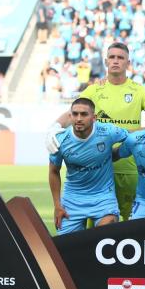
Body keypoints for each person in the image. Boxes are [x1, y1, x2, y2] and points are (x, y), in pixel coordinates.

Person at [46, 42, 145, 221]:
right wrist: (54, 127)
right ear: (105, 61)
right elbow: (71, 113)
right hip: (94, 173)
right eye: (112, 57)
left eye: (120, 58)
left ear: (128, 62)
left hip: (129, 167)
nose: (115, 61)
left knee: (129, 225)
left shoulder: (139, 91)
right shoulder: (95, 90)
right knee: (94, 232)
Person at [48, 98, 127, 234]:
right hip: (73, 199)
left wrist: (118, 153)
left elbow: (132, 137)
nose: (79, 118)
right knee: (66, 247)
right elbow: (54, 171)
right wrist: (57, 205)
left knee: (107, 235)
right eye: (75, 114)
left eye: (84, 114)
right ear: (70, 116)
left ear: (94, 117)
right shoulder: (60, 140)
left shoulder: (107, 131)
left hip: (103, 196)